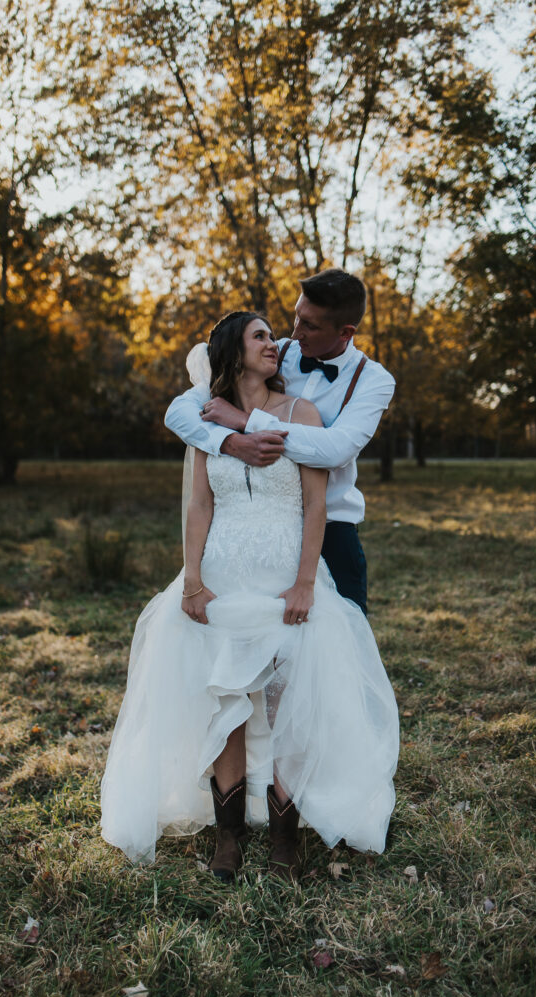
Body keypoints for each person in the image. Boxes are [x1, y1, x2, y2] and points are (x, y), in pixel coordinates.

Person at [100, 310, 399, 883]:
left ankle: (285, 838)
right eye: (260, 335)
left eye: (271, 335)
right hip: (221, 574)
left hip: (284, 574)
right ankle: (228, 834)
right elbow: (200, 503)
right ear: (233, 352)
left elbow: (315, 505)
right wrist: (192, 579)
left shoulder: (301, 414)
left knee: (287, 701)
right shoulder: (205, 417)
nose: (274, 343)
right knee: (226, 701)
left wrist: (306, 582)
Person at [164, 268, 395, 616]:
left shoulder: (373, 380)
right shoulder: (273, 353)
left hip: (331, 528)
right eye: (297, 316)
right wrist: (231, 442)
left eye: (309, 325)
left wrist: (247, 422)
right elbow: (180, 413)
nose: (295, 332)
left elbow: (335, 450)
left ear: (345, 332)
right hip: (248, 537)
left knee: (339, 632)